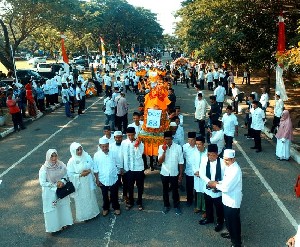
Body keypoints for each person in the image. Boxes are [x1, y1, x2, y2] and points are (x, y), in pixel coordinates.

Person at [208, 149, 243, 247]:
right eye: (224, 159)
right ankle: (231, 234)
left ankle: (236, 243)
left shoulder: (235, 170)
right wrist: (219, 183)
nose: (225, 162)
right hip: (227, 199)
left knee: (234, 222)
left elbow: (227, 188)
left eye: (227, 160)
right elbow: (225, 181)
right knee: (228, 220)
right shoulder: (229, 167)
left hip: (232, 201)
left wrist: (215, 185)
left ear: (233, 159)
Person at [39, 149, 73, 233]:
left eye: (55, 156)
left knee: (63, 207)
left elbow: (66, 174)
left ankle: (65, 223)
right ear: (48, 157)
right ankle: (55, 227)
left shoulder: (61, 164)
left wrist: (62, 181)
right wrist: (55, 185)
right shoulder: (44, 169)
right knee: (53, 209)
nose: (54, 158)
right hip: (50, 192)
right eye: (52, 156)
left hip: (61, 189)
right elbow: (42, 182)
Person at [67, 142, 100, 222]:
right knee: (82, 199)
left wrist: (89, 170)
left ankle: (93, 213)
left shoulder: (87, 156)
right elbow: (70, 175)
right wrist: (80, 175)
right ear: (73, 151)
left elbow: (93, 166)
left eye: (80, 149)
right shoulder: (71, 161)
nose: (80, 151)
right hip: (79, 184)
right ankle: (85, 216)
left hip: (88, 181)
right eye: (77, 150)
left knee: (90, 197)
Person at [199, 144, 225, 232]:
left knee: (219, 207)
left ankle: (220, 222)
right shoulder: (204, 160)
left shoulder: (222, 163)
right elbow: (201, 173)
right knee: (208, 204)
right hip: (207, 188)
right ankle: (209, 218)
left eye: (212, 155)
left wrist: (217, 183)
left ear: (217, 155)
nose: (210, 157)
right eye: (208, 154)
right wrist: (209, 182)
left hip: (218, 189)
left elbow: (226, 177)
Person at [158, 131, 184, 215]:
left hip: (174, 173)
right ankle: (166, 206)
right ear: (164, 139)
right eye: (166, 139)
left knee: (175, 191)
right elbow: (159, 162)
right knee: (165, 190)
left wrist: (180, 174)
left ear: (172, 139)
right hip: (164, 173)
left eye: (169, 139)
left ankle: (176, 206)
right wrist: (164, 152)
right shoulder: (161, 147)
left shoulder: (178, 147)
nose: (168, 141)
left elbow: (181, 162)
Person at [93, 138, 121, 216]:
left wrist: (119, 176)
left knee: (114, 194)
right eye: (103, 147)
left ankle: (116, 207)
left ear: (108, 145)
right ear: (100, 146)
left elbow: (118, 165)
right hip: (102, 179)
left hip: (113, 178)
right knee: (104, 195)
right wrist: (97, 180)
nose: (105, 148)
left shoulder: (114, 153)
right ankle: (106, 208)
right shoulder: (96, 155)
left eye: (106, 146)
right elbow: (95, 169)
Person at [121, 127, 145, 211]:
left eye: (131, 135)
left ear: (135, 134)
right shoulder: (124, 143)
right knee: (130, 187)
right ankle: (130, 201)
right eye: (128, 135)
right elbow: (122, 156)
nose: (130, 137)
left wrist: (137, 146)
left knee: (140, 186)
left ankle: (140, 202)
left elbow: (139, 155)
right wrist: (122, 167)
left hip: (138, 169)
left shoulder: (140, 143)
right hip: (128, 169)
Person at [183, 132, 197, 207]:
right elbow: (184, 157)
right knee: (189, 187)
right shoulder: (185, 147)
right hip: (188, 171)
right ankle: (189, 200)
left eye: (192, 140)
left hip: (197, 172)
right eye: (189, 140)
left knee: (197, 187)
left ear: (195, 140)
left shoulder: (198, 147)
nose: (190, 142)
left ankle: (197, 202)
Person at [193, 136, 207, 216]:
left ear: (203, 144)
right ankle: (198, 207)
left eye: (199, 144)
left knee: (204, 192)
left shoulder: (207, 153)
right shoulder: (195, 152)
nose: (198, 146)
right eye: (196, 144)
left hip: (204, 176)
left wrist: (201, 173)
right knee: (198, 191)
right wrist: (195, 171)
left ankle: (205, 209)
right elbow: (193, 163)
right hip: (197, 175)